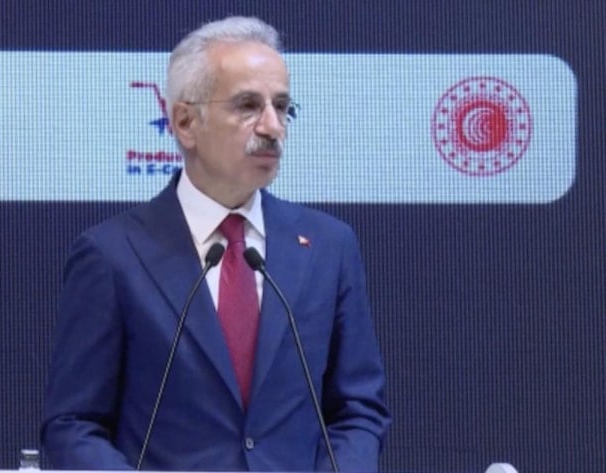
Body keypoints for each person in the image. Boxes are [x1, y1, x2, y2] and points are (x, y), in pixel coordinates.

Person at [42, 16, 391, 472]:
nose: (273, 127)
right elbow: (73, 424)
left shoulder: (328, 246)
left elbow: (358, 411)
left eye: (282, 107)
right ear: (185, 122)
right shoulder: (112, 255)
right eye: (248, 106)